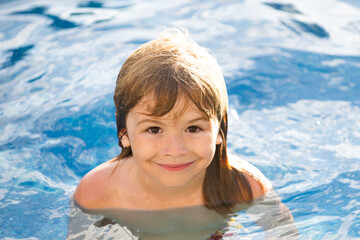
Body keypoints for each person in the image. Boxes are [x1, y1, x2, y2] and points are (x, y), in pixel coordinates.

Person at [69, 29, 296, 239]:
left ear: (220, 129)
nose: (175, 150)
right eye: (154, 129)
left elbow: (286, 234)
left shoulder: (244, 186)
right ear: (124, 132)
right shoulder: (98, 192)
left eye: (193, 128)